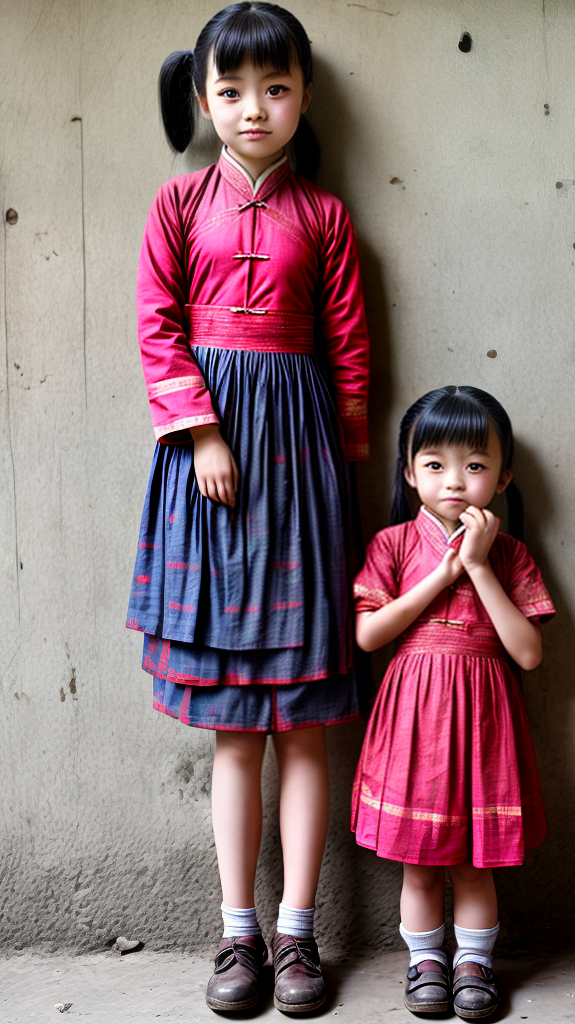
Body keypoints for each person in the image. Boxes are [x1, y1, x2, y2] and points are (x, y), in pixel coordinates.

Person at [125, 2, 370, 1013]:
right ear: (203, 98)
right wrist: (204, 432)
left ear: (304, 95)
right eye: (231, 91)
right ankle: (238, 936)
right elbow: (156, 328)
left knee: (305, 725)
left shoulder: (327, 217)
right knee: (235, 729)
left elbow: (351, 354)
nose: (253, 109)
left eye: (275, 89)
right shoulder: (178, 206)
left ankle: (300, 936)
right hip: (208, 479)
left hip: (303, 480)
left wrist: (341, 480)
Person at [351, 386, 553, 1020]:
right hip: (413, 721)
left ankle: (474, 965)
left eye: (475, 465)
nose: (455, 481)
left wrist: (481, 567)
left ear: (502, 476)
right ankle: (425, 963)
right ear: (409, 474)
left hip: (485, 722)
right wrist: (443, 574)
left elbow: (527, 653)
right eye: (434, 464)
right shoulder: (391, 547)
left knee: (472, 864)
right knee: (417, 862)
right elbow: (368, 635)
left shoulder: (512, 554)